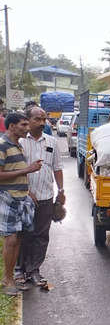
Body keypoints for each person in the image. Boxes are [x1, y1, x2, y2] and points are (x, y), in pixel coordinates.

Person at [16, 107, 64, 288]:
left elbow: (57, 168)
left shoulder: (51, 141)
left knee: (42, 235)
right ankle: (20, 269)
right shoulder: (19, 142)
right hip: (23, 197)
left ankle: (34, 269)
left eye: (44, 119)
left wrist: (61, 190)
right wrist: (27, 191)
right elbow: (14, 170)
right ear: (28, 120)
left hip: (46, 197)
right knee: (23, 234)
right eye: (38, 119)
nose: (42, 123)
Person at [0, 113, 42, 296]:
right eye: (23, 124)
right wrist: (28, 169)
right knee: (10, 240)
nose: (27, 128)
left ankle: (9, 277)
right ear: (11, 126)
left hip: (20, 198)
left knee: (16, 240)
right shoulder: (2, 146)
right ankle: (8, 279)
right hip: (8, 198)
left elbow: (16, 171)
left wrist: (28, 192)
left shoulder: (18, 145)